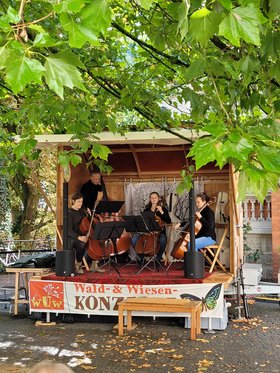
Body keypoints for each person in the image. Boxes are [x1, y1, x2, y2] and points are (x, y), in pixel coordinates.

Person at [132, 191, 171, 267]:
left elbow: (168, 221)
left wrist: (161, 211)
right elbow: (143, 222)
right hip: (147, 232)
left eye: (155, 197)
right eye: (152, 198)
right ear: (150, 199)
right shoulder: (146, 210)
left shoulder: (163, 209)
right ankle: (140, 257)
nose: (153, 199)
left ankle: (158, 258)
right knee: (134, 239)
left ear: (158, 198)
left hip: (159, 232)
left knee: (163, 239)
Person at [68, 192, 104, 274]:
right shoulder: (69, 212)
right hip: (74, 237)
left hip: (85, 234)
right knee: (81, 244)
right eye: (78, 201)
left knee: (97, 241)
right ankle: (79, 264)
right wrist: (78, 237)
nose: (80, 203)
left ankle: (94, 265)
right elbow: (68, 231)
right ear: (73, 201)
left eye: (81, 201)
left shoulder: (82, 210)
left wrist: (90, 215)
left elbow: (89, 223)